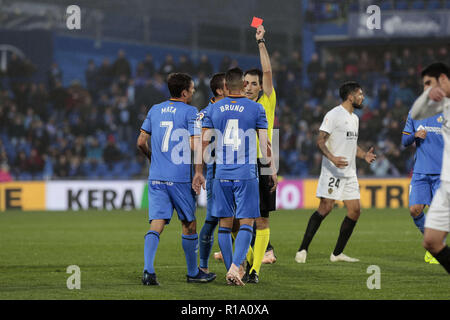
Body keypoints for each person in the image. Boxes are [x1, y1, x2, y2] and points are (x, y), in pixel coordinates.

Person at [192, 67, 275, 286]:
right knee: (247, 224)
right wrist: (271, 170)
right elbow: (265, 143)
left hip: (221, 174)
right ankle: (234, 268)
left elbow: (203, 143)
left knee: (225, 225)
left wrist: (199, 172)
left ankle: (232, 270)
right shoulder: (256, 109)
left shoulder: (214, 110)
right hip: (246, 174)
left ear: (226, 86)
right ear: (244, 85)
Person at [137, 72, 216, 285]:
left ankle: (148, 271)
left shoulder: (154, 109)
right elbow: (195, 144)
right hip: (179, 178)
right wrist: (199, 172)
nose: (193, 92)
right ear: (184, 92)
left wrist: (152, 159)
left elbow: (141, 141)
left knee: (157, 224)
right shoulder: (191, 112)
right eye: (191, 89)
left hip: (156, 178)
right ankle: (193, 273)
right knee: (189, 224)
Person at [295, 81, 376, 263]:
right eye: (360, 94)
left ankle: (337, 254)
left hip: (350, 172)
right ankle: (302, 249)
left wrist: (364, 155)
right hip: (333, 171)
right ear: (350, 96)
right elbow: (320, 141)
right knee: (325, 208)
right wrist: (332, 158)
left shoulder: (355, 118)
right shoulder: (333, 115)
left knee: (355, 211)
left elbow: (351, 144)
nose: (363, 97)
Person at [242, 24, 278, 283]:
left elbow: (267, 70)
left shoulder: (266, 100)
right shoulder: (238, 105)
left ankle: (254, 270)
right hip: (240, 164)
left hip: (263, 163)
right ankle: (249, 259)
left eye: (254, 83)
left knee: (261, 220)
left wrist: (260, 42)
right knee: (237, 220)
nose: (249, 87)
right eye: (246, 83)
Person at [410, 62, 450, 274]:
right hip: (445, 181)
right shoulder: (438, 106)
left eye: (429, 83)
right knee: (432, 241)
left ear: (443, 79)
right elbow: (415, 112)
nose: (425, 88)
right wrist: (428, 94)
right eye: (423, 84)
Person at [402, 67, 444, 264]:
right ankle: (433, 245)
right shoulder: (415, 111)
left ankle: (436, 248)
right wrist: (414, 136)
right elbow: (403, 141)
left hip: (442, 173)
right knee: (415, 210)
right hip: (420, 172)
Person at [198, 72, 229, 273]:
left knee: (239, 219)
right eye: (229, 85)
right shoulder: (206, 113)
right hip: (216, 172)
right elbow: (199, 146)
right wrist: (198, 171)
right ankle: (203, 266)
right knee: (212, 220)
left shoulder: (234, 109)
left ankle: (238, 265)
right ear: (219, 90)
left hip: (238, 171)